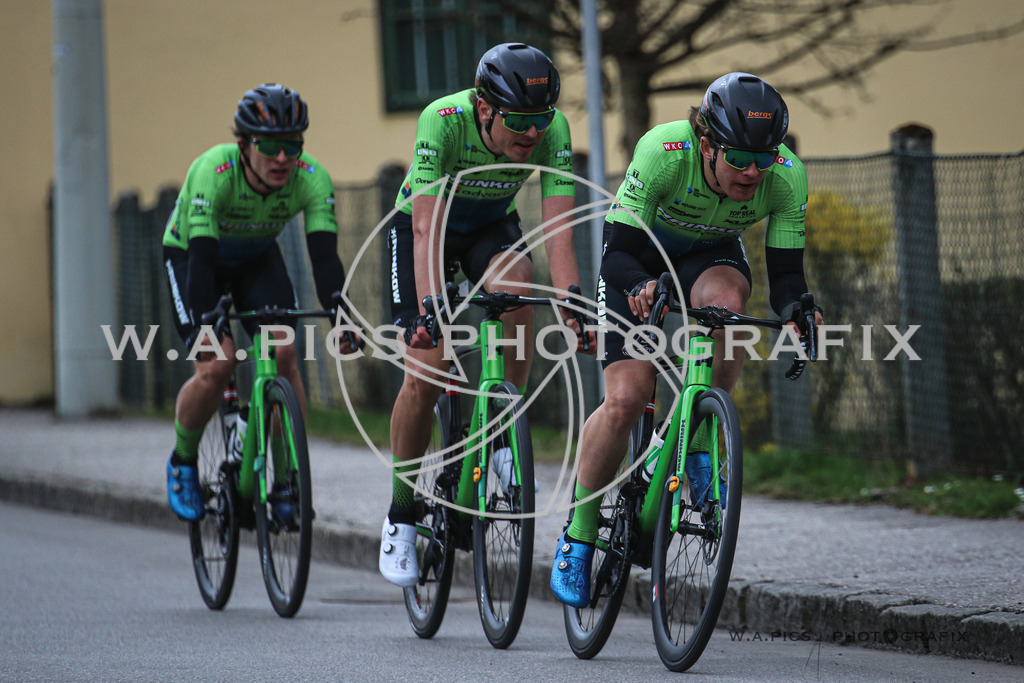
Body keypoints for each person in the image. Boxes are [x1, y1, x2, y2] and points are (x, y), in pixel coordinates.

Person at [549, 72, 824, 607]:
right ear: (707, 144)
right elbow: (616, 253)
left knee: (728, 308)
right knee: (627, 398)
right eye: (739, 158)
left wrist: (796, 312)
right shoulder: (662, 151)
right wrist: (640, 286)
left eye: (763, 158)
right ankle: (579, 534)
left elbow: (788, 274)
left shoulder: (786, 176)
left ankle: (699, 440)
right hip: (638, 259)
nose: (751, 172)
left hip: (710, 255)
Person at [379, 43, 593, 587]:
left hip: (488, 229)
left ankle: (500, 425)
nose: (531, 134)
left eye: (539, 120)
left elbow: (558, 231)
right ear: (483, 108)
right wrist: (431, 303)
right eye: (518, 121)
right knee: (424, 369)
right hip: (425, 228)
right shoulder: (444, 121)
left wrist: (572, 300)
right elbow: (425, 227)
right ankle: (402, 513)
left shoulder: (554, 131)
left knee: (519, 288)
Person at [162, 83, 358, 522]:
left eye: (292, 145)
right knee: (217, 364)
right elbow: (201, 260)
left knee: (284, 352)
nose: (283, 158)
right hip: (195, 258)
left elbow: (325, 261)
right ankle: (184, 460)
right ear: (244, 146)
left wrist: (341, 318)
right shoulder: (213, 172)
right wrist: (203, 328)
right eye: (270, 146)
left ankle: (288, 477)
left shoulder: (312, 178)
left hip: (255, 258)